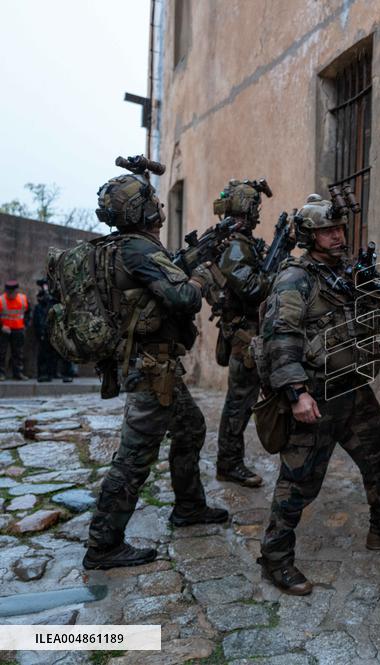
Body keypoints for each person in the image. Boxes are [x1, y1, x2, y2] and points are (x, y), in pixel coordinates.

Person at [257, 194, 380, 596]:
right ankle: (275, 559)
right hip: (317, 394)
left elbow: (368, 317)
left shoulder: (349, 272)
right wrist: (296, 393)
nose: (337, 236)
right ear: (309, 236)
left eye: (340, 228)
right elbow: (280, 337)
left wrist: (379, 303)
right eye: (327, 231)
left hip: (354, 389)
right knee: (298, 482)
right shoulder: (296, 278)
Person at [83, 165, 230, 570]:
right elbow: (181, 296)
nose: (160, 204)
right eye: (151, 200)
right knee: (134, 457)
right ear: (139, 210)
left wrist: (195, 255)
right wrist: (201, 275)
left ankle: (189, 507)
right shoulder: (138, 249)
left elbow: (163, 274)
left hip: (156, 365)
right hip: (152, 369)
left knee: (190, 428)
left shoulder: (127, 247)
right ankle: (103, 545)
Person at [212, 179, 272, 488]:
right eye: (254, 207)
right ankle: (229, 464)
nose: (257, 214)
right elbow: (250, 288)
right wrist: (278, 274)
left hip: (253, 333)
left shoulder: (242, 242)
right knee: (239, 402)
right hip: (243, 337)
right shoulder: (235, 245)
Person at [0, 279, 29, 380]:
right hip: (4, 330)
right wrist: (1, 327)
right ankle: (1, 374)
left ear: (17, 291)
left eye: (13, 292)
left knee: (18, 353)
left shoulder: (22, 299)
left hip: (18, 329)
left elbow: (28, 312)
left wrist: (26, 324)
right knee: (2, 353)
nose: (11, 295)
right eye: (9, 292)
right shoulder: (1, 300)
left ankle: (18, 373)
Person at [32, 278, 57, 382]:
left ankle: (51, 373)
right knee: (43, 353)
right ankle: (42, 373)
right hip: (43, 327)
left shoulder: (53, 293)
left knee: (52, 353)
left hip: (51, 328)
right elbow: (40, 301)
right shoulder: (41, 295)